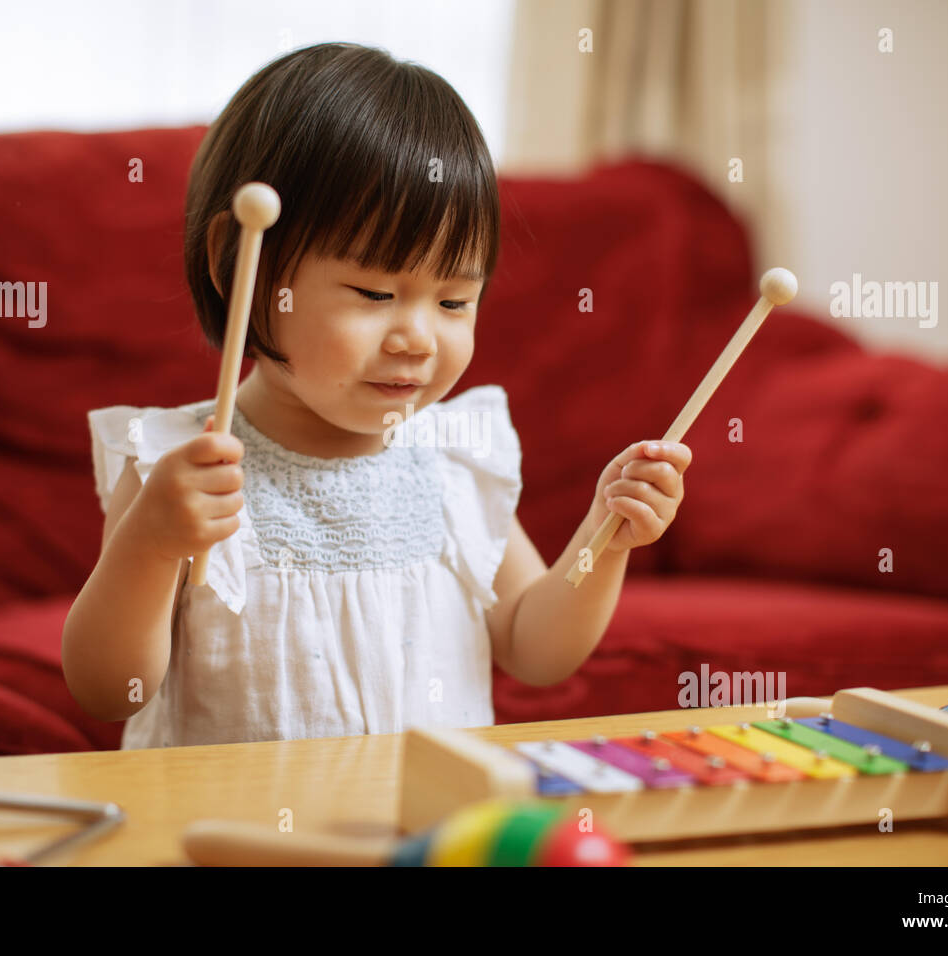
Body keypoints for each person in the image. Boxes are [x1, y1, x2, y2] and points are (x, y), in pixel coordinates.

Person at [62, 42, 690, 748]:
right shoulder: (175, 467)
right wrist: (149, 543)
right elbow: (109, 689)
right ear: (236, 263)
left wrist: (606, 537)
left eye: (455, 302)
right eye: (374, 293)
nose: (418, 337)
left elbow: (533, 648)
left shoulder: (453, 461)